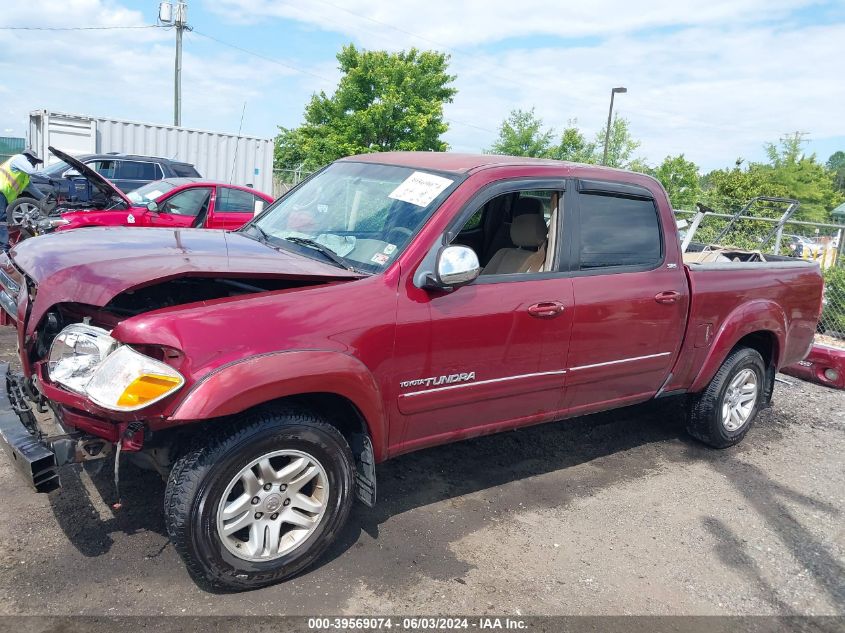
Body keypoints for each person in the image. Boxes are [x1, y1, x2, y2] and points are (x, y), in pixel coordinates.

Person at [0, 149, 45, 248]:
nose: (34, 165)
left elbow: (32, 189)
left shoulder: (23, 175)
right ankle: (3, 248)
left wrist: (44, 199)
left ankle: (3, 245)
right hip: (0, 192)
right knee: (1, 220)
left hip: (3, 195)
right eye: (34, 162)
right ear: (28, 158)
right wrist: (47, 178)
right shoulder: (19, 158)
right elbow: (31, 171)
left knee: (3, 220)